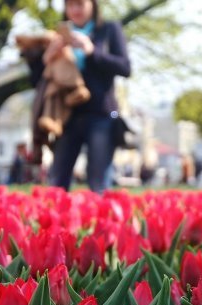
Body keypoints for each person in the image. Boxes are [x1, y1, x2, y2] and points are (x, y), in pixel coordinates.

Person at [25, 0, 131, 193]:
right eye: (70, 5)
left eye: (80, 4)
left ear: (92, 4)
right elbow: (36, 81)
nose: (75, 10)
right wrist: (47, 57)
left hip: (101, 113)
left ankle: (102, 221)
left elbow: (124, 67)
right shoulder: (57, 36)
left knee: (99, 181)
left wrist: (91, 51)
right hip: (65, 115)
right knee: (57, 178)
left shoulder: (108, 30)